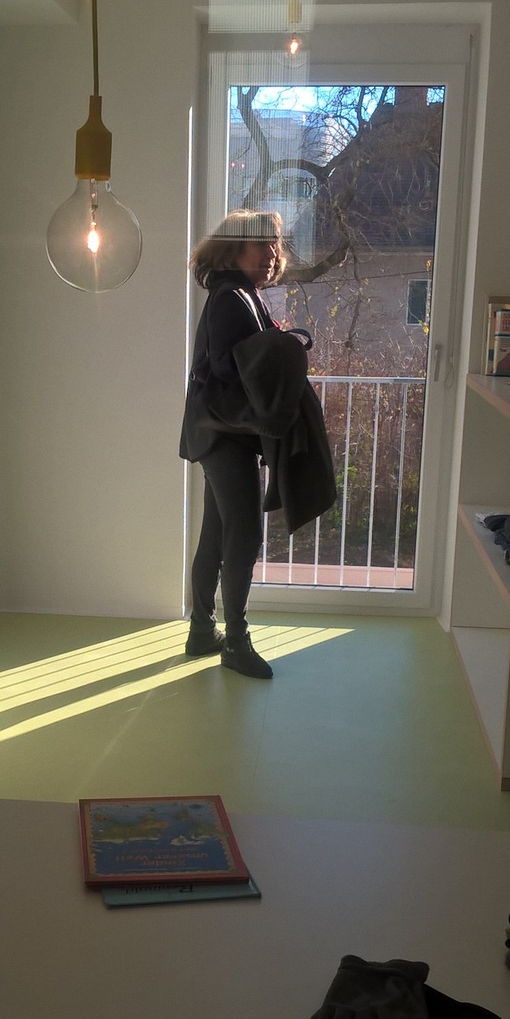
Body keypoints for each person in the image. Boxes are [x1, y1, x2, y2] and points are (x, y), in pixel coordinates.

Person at [179, 210, 287, 680]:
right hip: (227, 436)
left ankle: (203, 632)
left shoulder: (237, 294)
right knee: (243, 535)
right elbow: (230, 369)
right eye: (261, 244)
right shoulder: (231, 298)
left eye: (275, 245)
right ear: (233, 249)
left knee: (216, 534)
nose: (272, 254)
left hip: (218, 433)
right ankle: (236, 642)